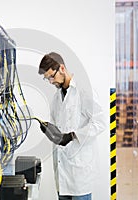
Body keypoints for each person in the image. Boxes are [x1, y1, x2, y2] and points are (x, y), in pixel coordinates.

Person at [38, 52, 106, 200]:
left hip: (79, 172)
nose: (50, 82)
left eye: (51, 76)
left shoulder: (84, 90)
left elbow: (100, 123)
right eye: (47, 79)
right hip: (62, 171)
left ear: (62, 68)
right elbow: (59, 129)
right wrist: (49, 130)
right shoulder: (56, 98)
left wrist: (73, 135)